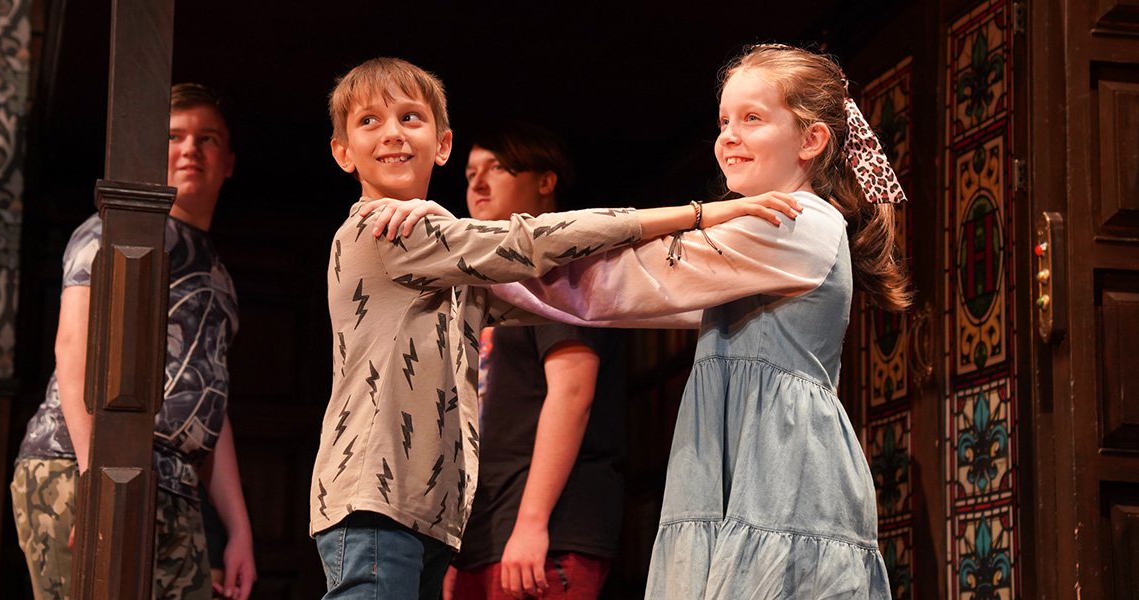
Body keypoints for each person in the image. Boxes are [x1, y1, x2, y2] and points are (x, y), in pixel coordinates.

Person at [309, 56, 802, 600]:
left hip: (424, 514)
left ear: (442, 142)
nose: (393, 135)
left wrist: (730, 296)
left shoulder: (437, 244)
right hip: (375, 504)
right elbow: (529, 242)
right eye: (369, 122)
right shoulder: (384, 228)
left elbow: (572, 301)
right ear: (342, 152)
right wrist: (700, 213)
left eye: (409, 117)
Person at [485, 44, 910, 598]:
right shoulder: (769, 229)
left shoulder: (797, 222)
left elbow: (630, 279)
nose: (728, 136)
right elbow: (620, 294)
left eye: (752, 119)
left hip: (781, 466)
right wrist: (475, 269)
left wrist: (463, 257)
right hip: (737, 454)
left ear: (811, 140)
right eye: (724, 121)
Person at [11, 83, 257, 600]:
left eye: (207, 138)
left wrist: (238, 529)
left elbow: (209, 401)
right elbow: (74, 349)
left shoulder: (219, 276)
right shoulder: (115, 232)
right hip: (82, 465)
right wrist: (95, 479)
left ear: (228, 161)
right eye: (174, 136)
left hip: (172, 483)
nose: (191, 149)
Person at [445, 125, 625, 599]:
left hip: (545, 534)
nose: (478, 184)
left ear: (545, 182)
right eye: (470, 173)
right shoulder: (491, 280)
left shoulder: (556, 268)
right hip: (484, 535)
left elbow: (572, 391)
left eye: (498, 169)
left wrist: (530, 525)